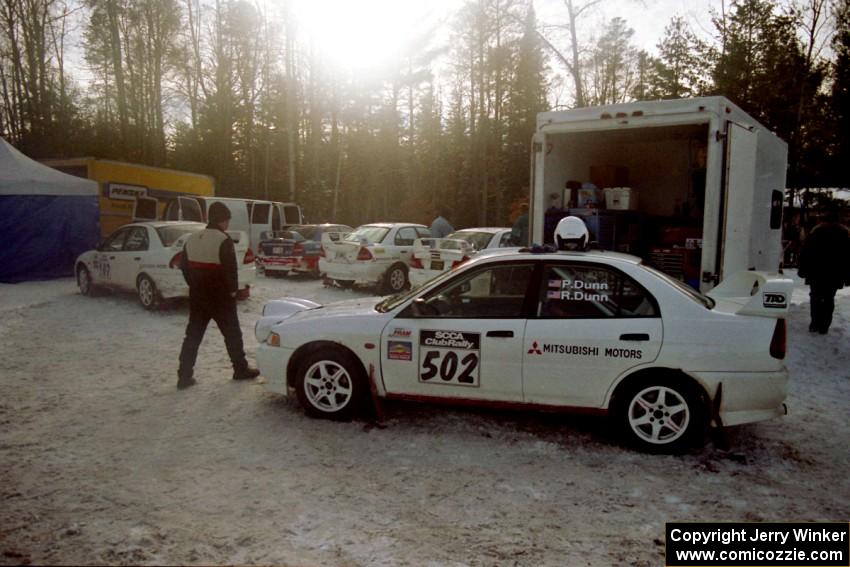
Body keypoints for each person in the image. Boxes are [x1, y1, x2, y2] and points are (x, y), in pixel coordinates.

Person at [177, 202, 260, 389]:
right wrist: (232, 291)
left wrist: (194, 284)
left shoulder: (192, 239)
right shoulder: (224, 240)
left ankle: (184, 376)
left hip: (198, 296)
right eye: (228, 220)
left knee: (193, 336)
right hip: (220, 297)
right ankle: (240, 369)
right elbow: (230, 269)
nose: (228, 224)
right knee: (232, 335)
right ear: (223, 220)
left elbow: (184, 267)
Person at [797, 208, 850, 334]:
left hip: (816, 272)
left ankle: (815, 323)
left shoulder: (816, 232)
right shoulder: (845, 234)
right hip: (835, 273)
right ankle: (824, 326)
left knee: (815, 297)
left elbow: (806, 252)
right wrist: (847, 276)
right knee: (829, 298)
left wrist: (803, 269)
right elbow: (848, 257)